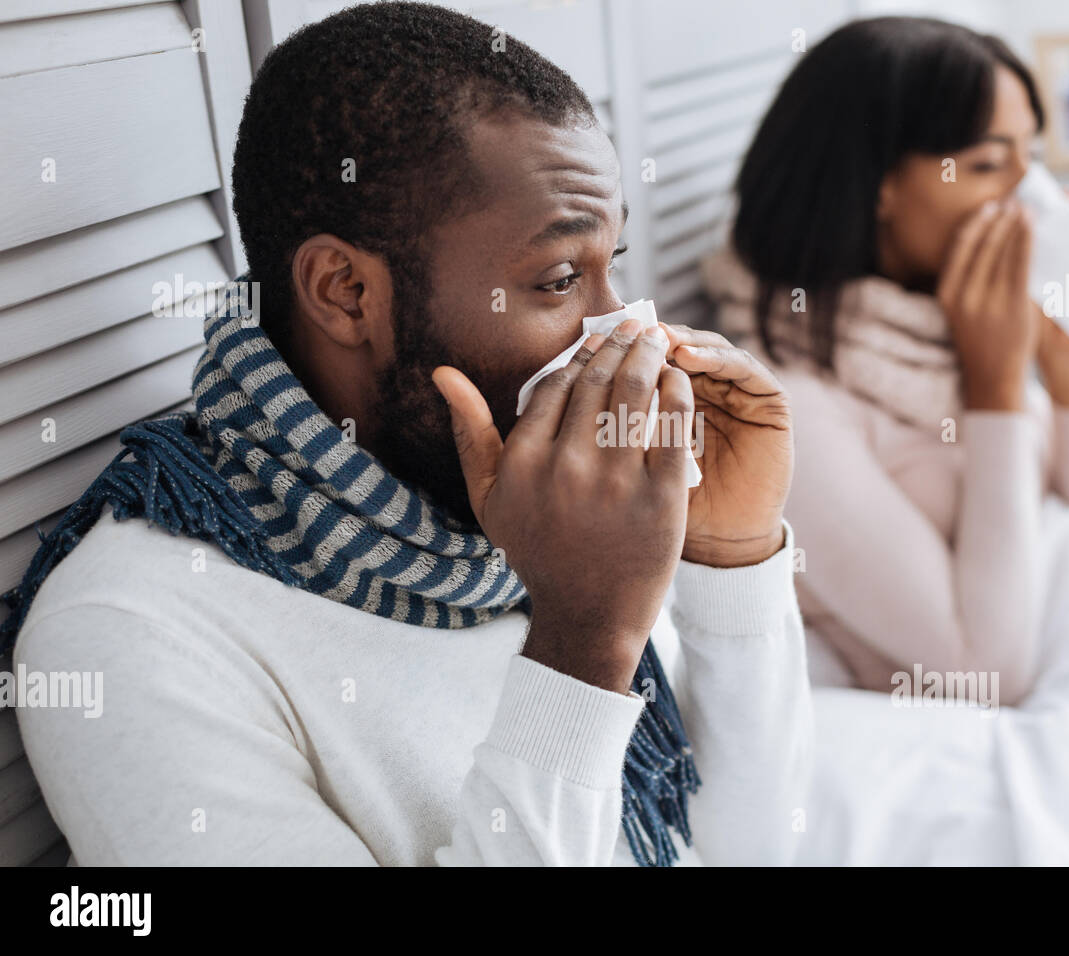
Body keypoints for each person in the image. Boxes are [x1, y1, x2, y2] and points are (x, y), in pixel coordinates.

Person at [4, 2, 812, 866]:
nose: (625, 333)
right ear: (346, 293)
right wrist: (582, 646)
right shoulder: (132, 636)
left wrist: (732, 557)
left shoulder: (543, 502)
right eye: (558, 279)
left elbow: (752, 850)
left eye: (611, 266)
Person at [702, 17, 1069, 705]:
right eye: (990, 165)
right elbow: (989, 672)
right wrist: (995, 390)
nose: (1033, 203)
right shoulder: (786, 410)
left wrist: (1067, 372)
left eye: (1031, 161)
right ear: (878, 184)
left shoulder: (943, 324)